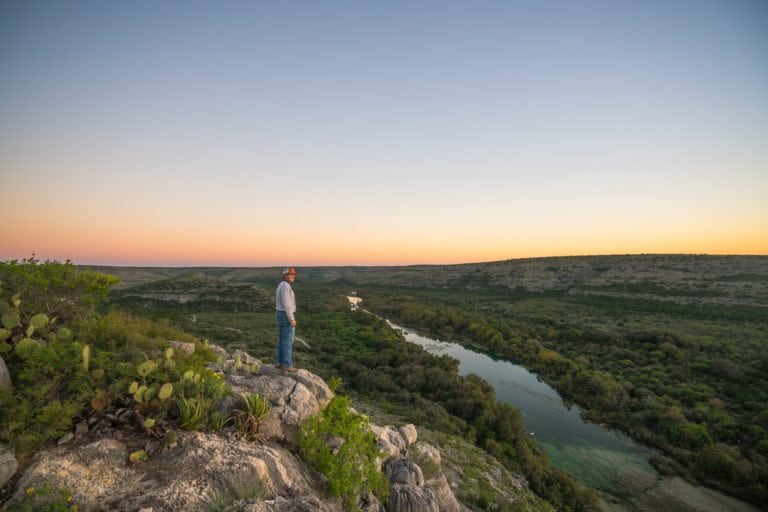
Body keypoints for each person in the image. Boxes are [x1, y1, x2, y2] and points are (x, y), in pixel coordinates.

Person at [275, 267, 297, 372]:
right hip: (285, 315)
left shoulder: (282, 285)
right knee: (288, 340)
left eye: (293, 274)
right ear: (285, 275)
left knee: (283, 339)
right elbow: (287, 304)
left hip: (281, 314)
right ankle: (287, 364)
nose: (293, 275)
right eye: (290, 274)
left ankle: (279, 362)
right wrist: (291, 318)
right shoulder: (285, 286)